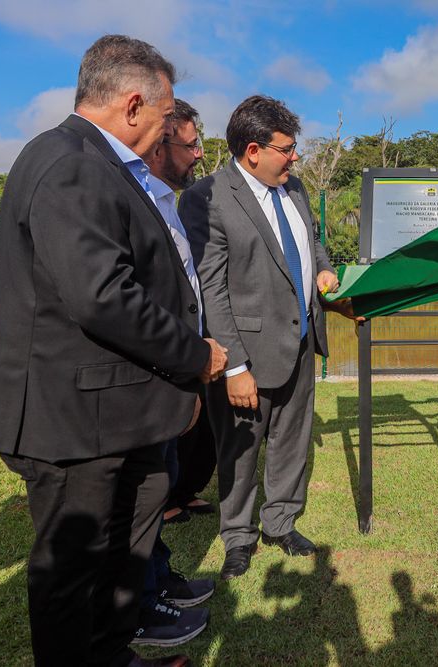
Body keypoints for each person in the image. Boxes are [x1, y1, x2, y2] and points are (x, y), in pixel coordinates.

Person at [0, 35, 227, 667]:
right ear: (135, 104)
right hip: (72, 421)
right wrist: (195, 356)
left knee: (123, 552)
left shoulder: (105, 165)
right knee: (74, 572)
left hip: (115, 413)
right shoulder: (71, 163)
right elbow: (102, 297)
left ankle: (115, 654)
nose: (173, 128)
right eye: (170, 115)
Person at [179, 95, 345, 580]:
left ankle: (280, 522)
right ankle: (238, 537)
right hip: (245, 356)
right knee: (239, 450)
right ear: (254, 150)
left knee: (292, 443)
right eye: (287, 149)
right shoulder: (207, 197)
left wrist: (326, 270)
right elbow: (210, 288)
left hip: (300, 342)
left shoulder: (293, 191)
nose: (295, 158)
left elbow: (312, 243)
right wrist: (234, 367)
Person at [132, 99, 215, 648]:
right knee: (136, 504)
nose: (199, 154)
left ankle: (159, 582)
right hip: (146, 379)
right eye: (190, 144)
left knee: (156, 490)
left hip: (173, 373)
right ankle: (142, 610)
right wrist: (192, 355)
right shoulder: (128, 196)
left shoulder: (165, 200)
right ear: (158, 145)